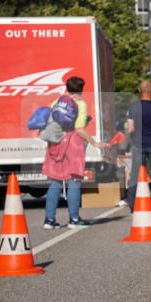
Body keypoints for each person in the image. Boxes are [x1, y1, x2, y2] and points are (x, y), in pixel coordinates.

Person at [42, 76, 109, 228]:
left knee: (55, 182)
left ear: (67, 88)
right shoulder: (80, 104)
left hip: (55, 143)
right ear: (81, 89)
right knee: (74, 181)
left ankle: (49, 220)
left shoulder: (56, 102)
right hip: (72, 144)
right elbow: (78, 129)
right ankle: (74, 219)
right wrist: (94, 142)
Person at [125, 80, 151, 209]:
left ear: (139, 90)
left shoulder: (133, 107)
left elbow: (130, 129)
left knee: (135, 174)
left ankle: (133, 205)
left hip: (138, 144)